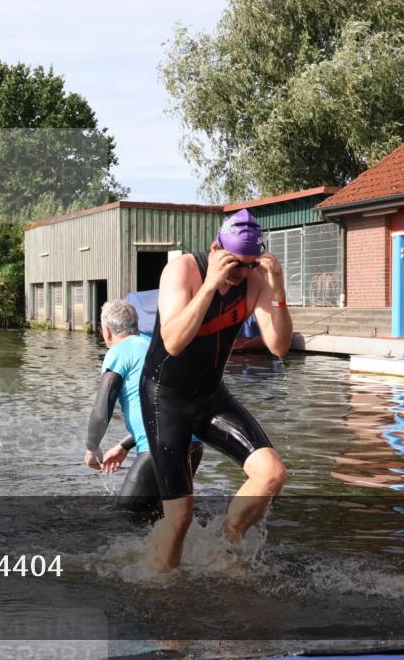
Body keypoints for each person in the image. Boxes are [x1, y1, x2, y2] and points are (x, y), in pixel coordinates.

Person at [141, 209, 292, 571]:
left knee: (272, 473)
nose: (242, 274)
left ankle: (225, 543)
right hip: (167, 399)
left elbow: (279, 346)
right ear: (215, 249)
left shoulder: (254, 282)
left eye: (251, 265)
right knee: (180, 518)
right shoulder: (182, 271)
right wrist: (210, 285)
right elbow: (173, 342)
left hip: (210, 396)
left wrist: (277, 287)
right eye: (236, 264)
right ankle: (162, 593)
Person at [85, 300, 203, 518]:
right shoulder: (158, 347)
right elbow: (169, 408)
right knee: (162, 517)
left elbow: (102, 410)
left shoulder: (118, 352)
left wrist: (92, 448)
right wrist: (124, 445)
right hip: (193, 444)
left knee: (124, 520)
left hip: (160, 447)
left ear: (106, 331)